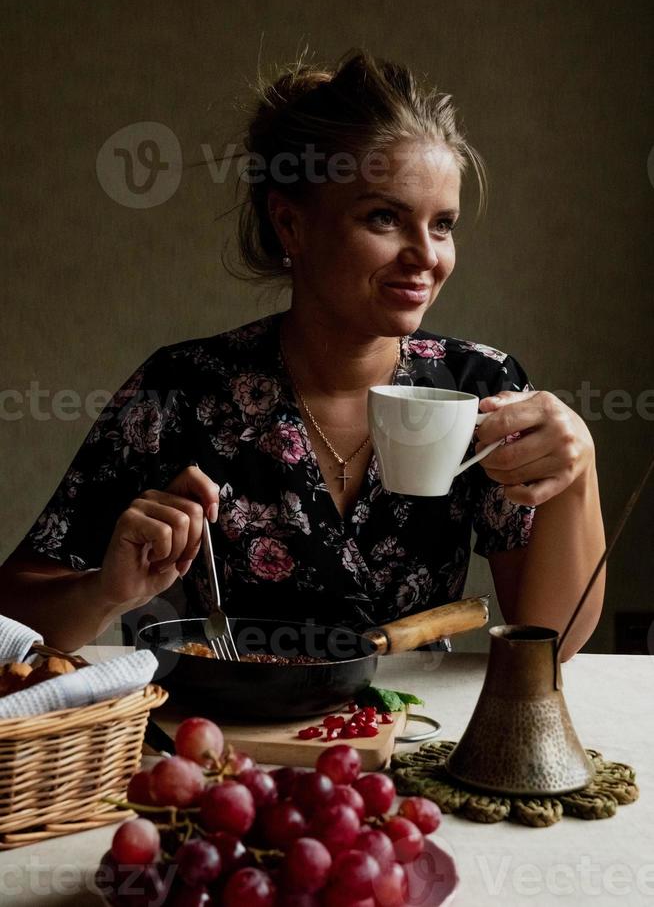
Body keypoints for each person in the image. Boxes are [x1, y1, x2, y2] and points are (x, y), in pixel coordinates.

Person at [0, 50, 605, 658]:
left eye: (442, 224)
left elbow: (551, 642)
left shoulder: (481, 385)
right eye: (384, 217)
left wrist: (577, 477)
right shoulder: (181, 388)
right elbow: (12, 618)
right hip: (220, 744)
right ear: (291, 225)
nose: (426, 255)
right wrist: (106, 592)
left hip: (410, 736)